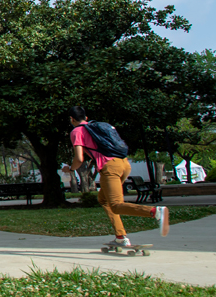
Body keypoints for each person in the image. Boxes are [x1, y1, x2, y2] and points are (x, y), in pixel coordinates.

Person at [64, 106, 169, 248]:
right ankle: (120, 237)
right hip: (123, 164)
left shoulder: (77, 131)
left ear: (71, 119)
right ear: (86, 117)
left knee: (116, 205)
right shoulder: (97, 127)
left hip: (110, 168)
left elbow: (79, 158)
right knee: (104, 199)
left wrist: (70, 169)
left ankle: (155, 212)